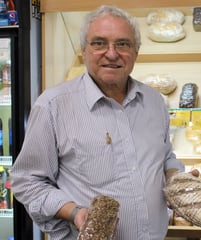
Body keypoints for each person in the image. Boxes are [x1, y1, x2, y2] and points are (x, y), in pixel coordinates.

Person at [11, 5, 186, 240]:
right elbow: (27, 181)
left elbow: (164, 156)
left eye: (123, 44)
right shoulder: (53, 105)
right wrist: (74, 212)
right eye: (99, 43)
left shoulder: (154, 101)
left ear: (136, 51)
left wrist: (175, 177)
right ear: (84, 50)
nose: (112, 53)